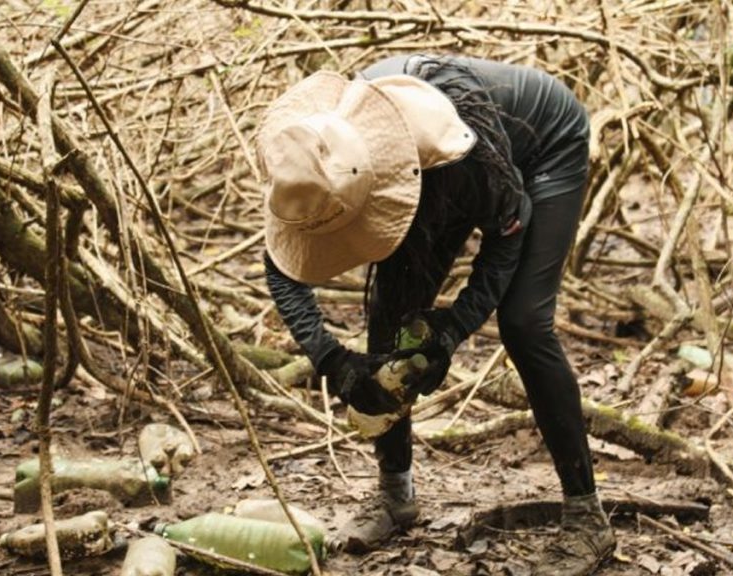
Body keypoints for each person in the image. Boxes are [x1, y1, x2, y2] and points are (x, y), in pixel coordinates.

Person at [255, 54, 615, 575]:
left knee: (523, 322)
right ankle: (395, 495)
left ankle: (587, 516)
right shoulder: (305, 164)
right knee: (390, 319)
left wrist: (453, 329)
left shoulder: (460, 155)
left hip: (541, 146)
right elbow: (281, 268)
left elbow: (508, 231)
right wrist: (332, 360)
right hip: (428, 170)